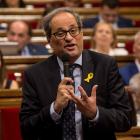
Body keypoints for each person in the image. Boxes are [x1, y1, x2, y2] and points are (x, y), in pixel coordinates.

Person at [19, 7, 132, 140]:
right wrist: (54, 109)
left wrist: (95, 113)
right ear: (49, 40)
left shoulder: (105, 65)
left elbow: (125, 120)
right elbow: (26, 129)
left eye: (73, 31)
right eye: (61, 33)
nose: (69, 37)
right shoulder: (35, 74)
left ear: (81, 33)